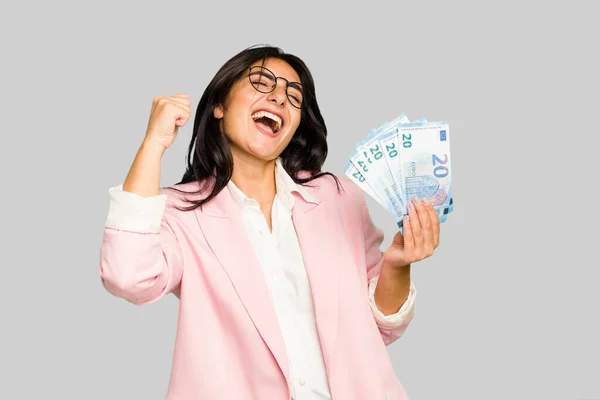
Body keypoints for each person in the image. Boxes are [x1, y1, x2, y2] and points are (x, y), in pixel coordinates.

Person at [99, 44, 440, 400]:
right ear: (219, 105)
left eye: (294, 96)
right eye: (262, 82)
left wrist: (397, 266)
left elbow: (380, 326)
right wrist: (154, 143)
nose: (280, 98)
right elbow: (127, 276)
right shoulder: (180, 211)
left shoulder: (337, 198)